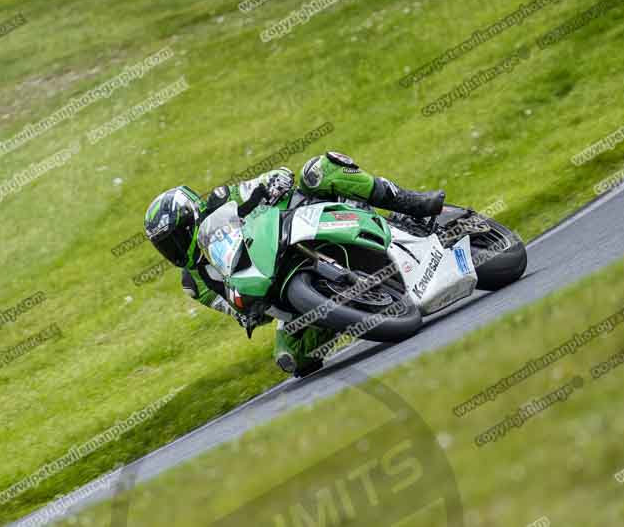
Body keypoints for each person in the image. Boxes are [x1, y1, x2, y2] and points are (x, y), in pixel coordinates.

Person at [144, 151, 445, 375]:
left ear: (189, 219)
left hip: (300, 222)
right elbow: (231, 306)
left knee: (318, 171)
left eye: (174, 238)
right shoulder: (194, 283)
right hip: (274, 280)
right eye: (164, 246)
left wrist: (274, 181)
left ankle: (411, 203)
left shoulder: (222, 200)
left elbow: (263, 182)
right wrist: (248, 313)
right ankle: (351, 308)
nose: (173, 249)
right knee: (292, 358)